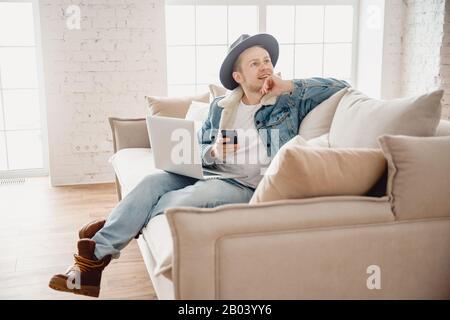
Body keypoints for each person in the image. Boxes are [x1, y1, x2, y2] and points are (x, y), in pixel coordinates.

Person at [48, 33, 350, 297]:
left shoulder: (289, 101)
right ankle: (93, 262)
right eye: (254, 63)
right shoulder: (222, 108)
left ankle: (99, 249)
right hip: (211, 171)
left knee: (183, 199)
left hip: (247, 185)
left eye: (267, 60)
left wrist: (289, 85)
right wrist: (213, 152)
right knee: (152, 183)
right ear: (238, 77)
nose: (265, 67)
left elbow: (340, 86)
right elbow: (202, 146)